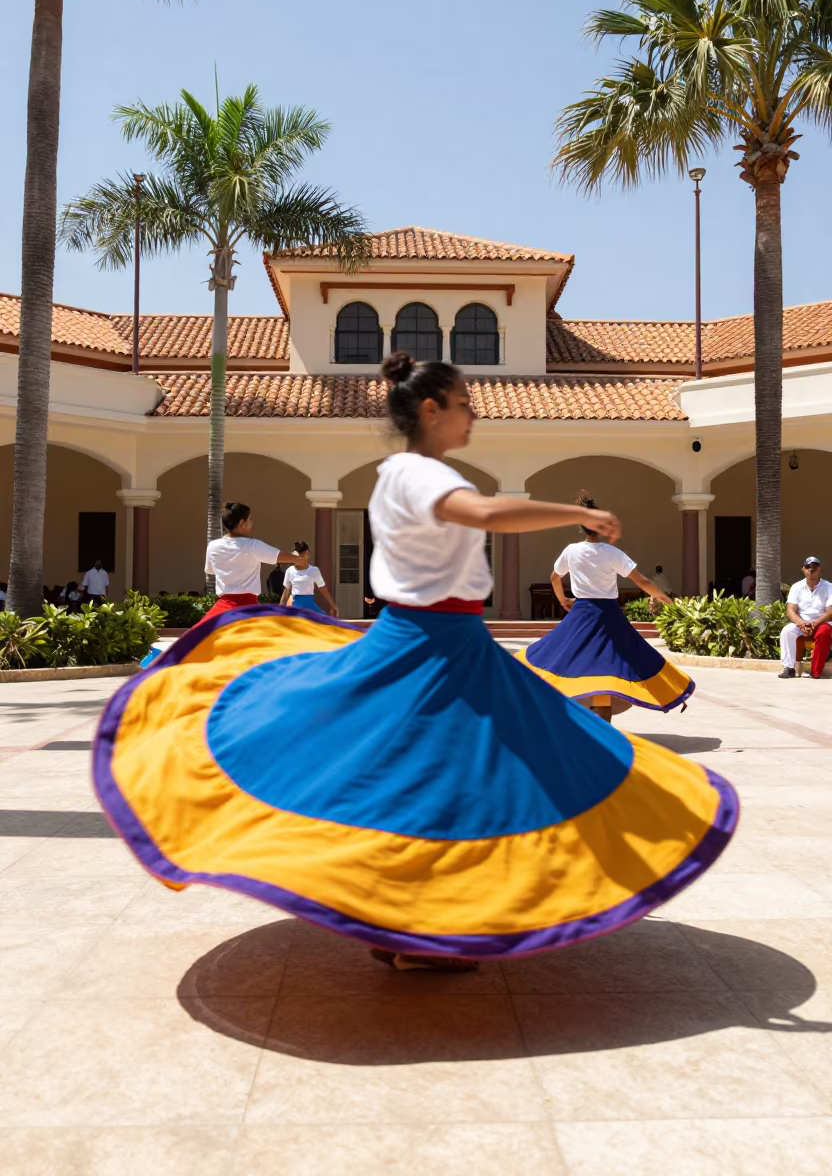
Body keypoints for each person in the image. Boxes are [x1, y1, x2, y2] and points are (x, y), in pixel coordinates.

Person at [92, 352, 737, 975]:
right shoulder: (417, 474)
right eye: (463, 406)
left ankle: (411, 922)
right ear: (431, 409)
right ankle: (419, 927)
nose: (472, 418)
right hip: (429, 646)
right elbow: (483, 513)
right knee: (447, 775)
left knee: (448, 774)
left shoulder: (412, 472)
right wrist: (580, 513)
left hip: (451, 643)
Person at [517, 491, 694, 720]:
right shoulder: (612, 553)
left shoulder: (571, 551)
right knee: (617, 665)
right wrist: (662, 597)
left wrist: (563, 600)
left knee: (561, 658)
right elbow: (642, 581)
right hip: (609, 616)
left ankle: (580, 721)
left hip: (580, 614)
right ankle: (604, 725)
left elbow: (555, 578)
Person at [201, 502, 299, 625]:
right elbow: (281, 557)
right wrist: (297, 556)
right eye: (250, 519)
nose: (252, 522)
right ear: (242, 523)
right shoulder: (252, 546)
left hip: (222, 608)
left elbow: (210, 570)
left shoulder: (213, 546)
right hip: (247, 609)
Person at [779, 557, 832, 679]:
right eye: (808, 567)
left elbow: (830, 612)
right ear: (803, 569)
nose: (811, 570)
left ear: (820, 569)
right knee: (787, 631)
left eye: (815, 567)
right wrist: (801, 623)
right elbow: (790, 610)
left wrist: (814, 624)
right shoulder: (796, 587)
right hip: (801, 622)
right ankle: (789, 668)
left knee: (823, 632)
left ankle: (816, 672)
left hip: (823, 621)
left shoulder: (829, 587)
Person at [280, 542, 339, 616]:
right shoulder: (290, 571)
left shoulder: (314, 570)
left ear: (308, 554)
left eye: (305, 555)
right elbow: (286, 592)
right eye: (300, 555)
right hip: (296, 607)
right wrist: (280, 609)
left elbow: (322, 588)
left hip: (310, 606)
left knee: (325, 621)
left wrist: (333, 605)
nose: (303, 558)